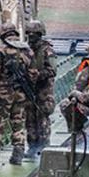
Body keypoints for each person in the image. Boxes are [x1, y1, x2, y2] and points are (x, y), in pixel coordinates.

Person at [0, 22, 34, 165]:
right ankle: (18, 154)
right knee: (18, 122)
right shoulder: (27, 50)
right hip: (22, 92)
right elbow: (33, 73)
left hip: (4, 93)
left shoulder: (1, 51)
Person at [25, 20, 56, 156]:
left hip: (43, 90)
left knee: (42, 118)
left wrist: (38, 75)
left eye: (34, 34)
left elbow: (52, 70)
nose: (31, 36)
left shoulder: (47, 50)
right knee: (30, 119)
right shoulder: (25, 49)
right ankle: (32, 146)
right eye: (29, 33)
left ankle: (44, 148)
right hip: (29, 89)